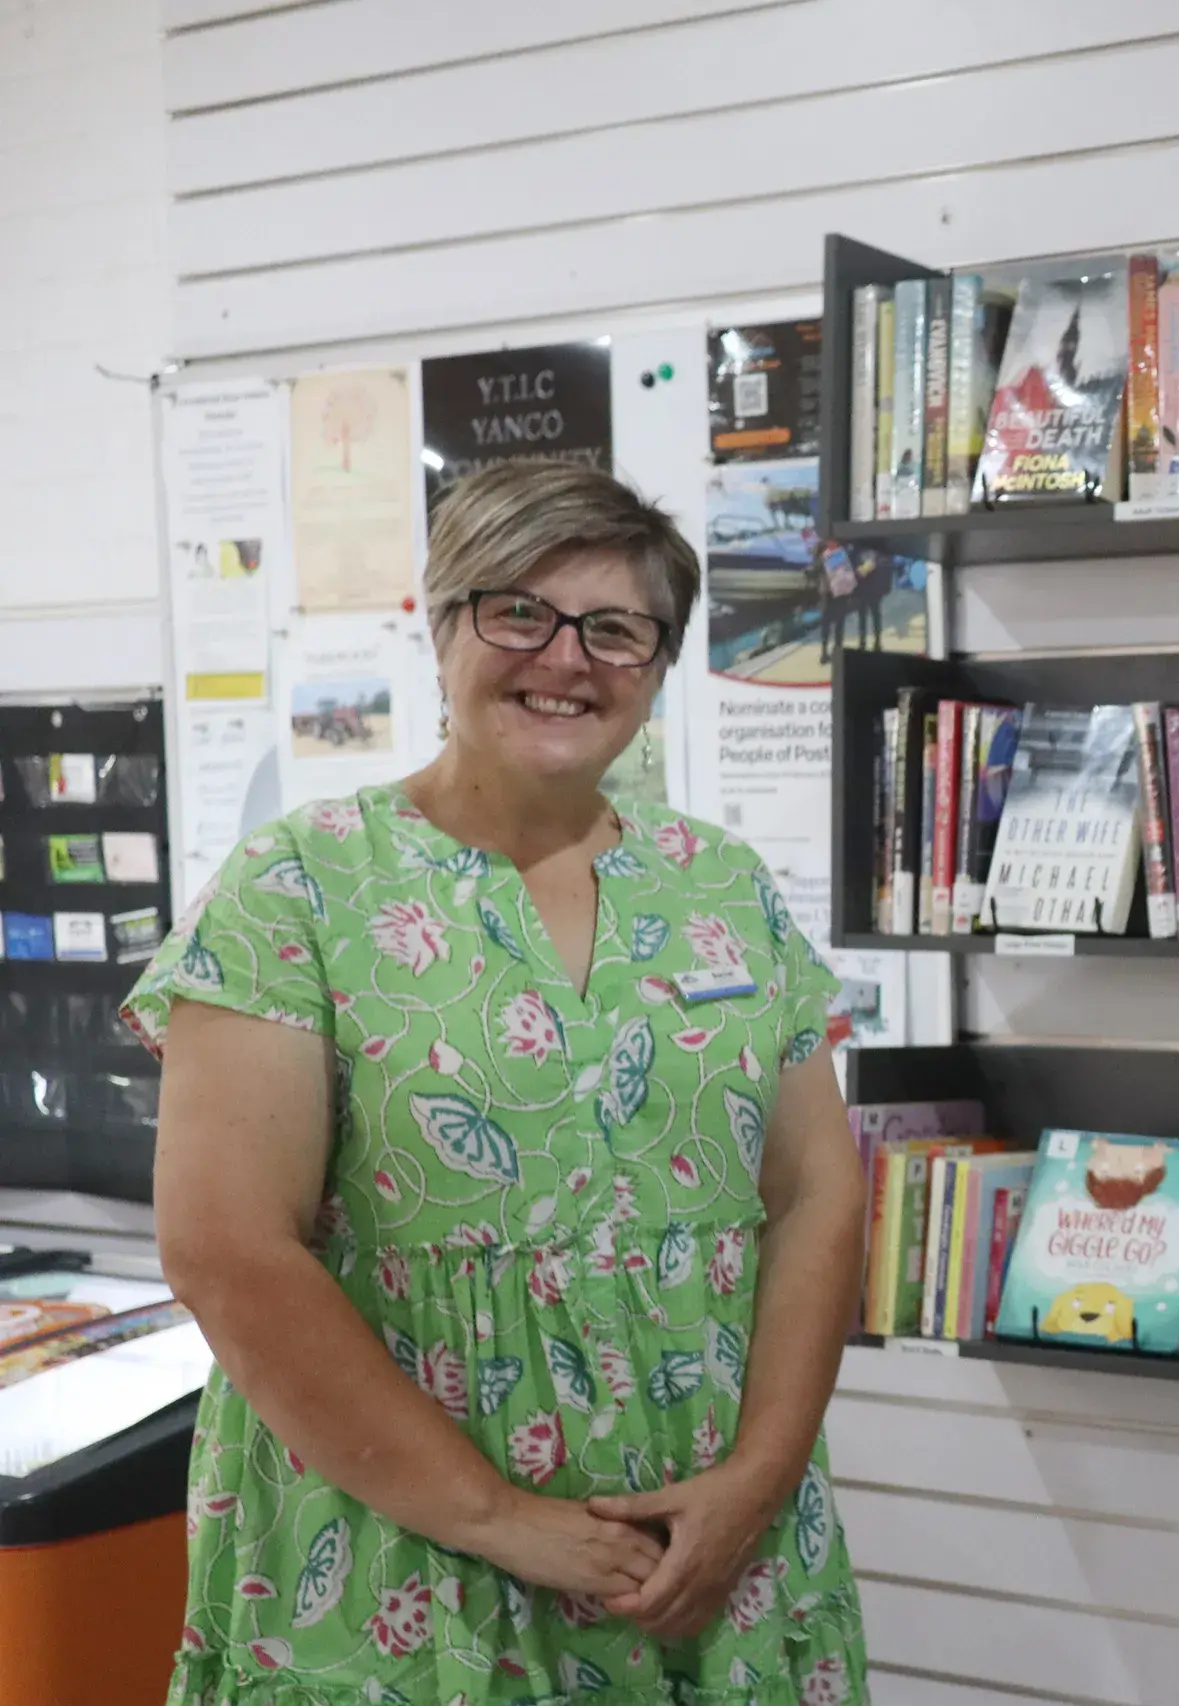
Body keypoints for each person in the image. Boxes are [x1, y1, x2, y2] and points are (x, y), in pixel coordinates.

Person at [130, 462, 870, 1705]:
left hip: (708, 1549)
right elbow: (224, 1249)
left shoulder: (722, 887)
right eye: (517, 611)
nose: (565, 658)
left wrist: (757, 1478)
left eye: (616, 628)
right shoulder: (300, 888)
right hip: (401, 1553)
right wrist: (496, 1515)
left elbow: (815, 1198)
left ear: (657, 661)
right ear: (440, 624)